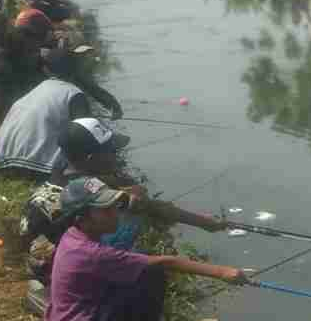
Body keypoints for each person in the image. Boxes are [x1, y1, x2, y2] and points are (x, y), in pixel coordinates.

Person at [43, 176, 247, 321]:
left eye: (114, 206)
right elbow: (167, 262)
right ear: (81, 217)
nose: (116, 213)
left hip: (67, 319)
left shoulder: (73, 235)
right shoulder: (92, 253)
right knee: (152, 273)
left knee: (138, 265)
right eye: (106, 210)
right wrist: (222, 272)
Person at [22, 118, 228, 287]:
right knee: (132, 206)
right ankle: (117, 263)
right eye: (112, 151)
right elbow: (153, 207)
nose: (117, 156)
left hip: (41, 262)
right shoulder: (90, 191)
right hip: (59, 273)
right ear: (91, 158)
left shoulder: (64, 174)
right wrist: (203, 222)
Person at [0, 49, 122, 177]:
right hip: (37, 166)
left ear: (46, 69)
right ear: (76, 69)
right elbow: (87, 133)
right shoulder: (73, 93)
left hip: (4, 162)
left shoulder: (37, 90)